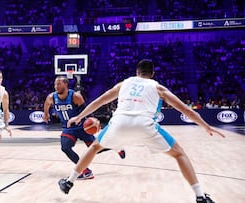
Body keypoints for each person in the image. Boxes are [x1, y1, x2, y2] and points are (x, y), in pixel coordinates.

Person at [58, 59, 225, 203]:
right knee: (179, 154)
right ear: (152, 74)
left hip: (119, 123)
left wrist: (79, 116)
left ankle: (69, 182)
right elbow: (186, 110)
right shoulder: (159, 88)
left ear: (137, 72)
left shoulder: (124, 83)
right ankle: (200, 196)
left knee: (94, 147)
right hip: (145, 126)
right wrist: (206, 126)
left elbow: (100, 101)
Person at [43, 76, 126, 180]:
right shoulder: (51, 97)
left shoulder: (75, 96)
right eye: (55, 84)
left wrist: (93, 122)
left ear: (66, 84)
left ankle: (115, 147)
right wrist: (46, 114)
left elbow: (86, 111)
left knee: (96, 149)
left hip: (82, 127)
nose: (56, 86)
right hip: (68, 128)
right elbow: (46, 104)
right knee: (65, 147)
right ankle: (85, 171)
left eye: (59, 84)